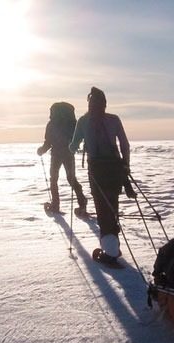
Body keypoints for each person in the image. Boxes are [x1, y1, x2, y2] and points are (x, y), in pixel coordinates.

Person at [70, 87, 134, 263]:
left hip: (96, 169)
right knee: (112, 205)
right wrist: (126, 165)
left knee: (102, 209)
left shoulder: (83, 121)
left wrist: (74, 148)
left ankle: (111, 252)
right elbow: (125, 145)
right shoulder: (114, 119)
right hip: (115, 168)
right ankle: (113, 243)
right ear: (105, 104)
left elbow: (73, 145)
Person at [36, 102, 86, 213]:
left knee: (54, 179)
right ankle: (82, 203)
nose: (50, 114)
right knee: (71, 178)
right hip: (69, 154)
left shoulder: (51, 124)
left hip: (56, 155)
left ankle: (55, 205)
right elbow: (77, 139)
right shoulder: (72, 124)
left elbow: (48, 142)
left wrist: (41, 151)